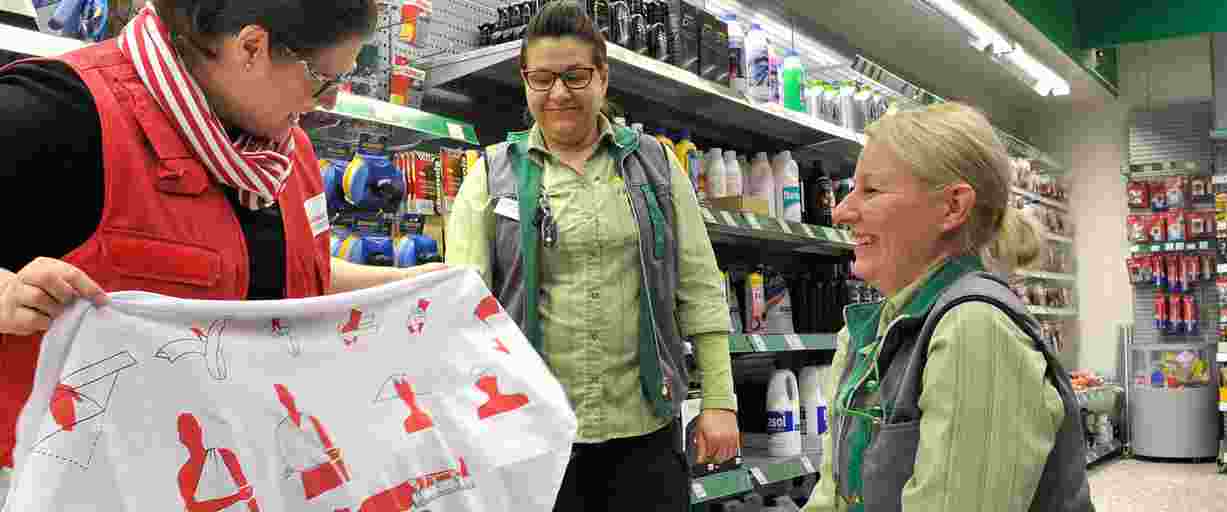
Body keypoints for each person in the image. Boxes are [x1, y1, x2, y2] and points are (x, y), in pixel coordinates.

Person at [0, 0, 443, 472]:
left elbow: (293, 271)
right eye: (322, 78)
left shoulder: (286, 159)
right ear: (252, 46)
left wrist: (411, 280)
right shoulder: (58, 114)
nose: (330, 101)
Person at [444, 2, 739, 510]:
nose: (558, 93)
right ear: (525, 81)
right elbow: (463, 315)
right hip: (533, 437)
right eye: (542, 79)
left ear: (602, 77)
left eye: (576, 76)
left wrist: (719, 400)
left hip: (645, 430)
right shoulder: (490, 176)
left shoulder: (655, 166)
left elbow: (699, 289)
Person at [803, 103, 1094, 511]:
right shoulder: (869, 330)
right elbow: (830, 497)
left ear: (952, 207)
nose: (842, 211)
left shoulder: (975, 329)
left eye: (870, 191)